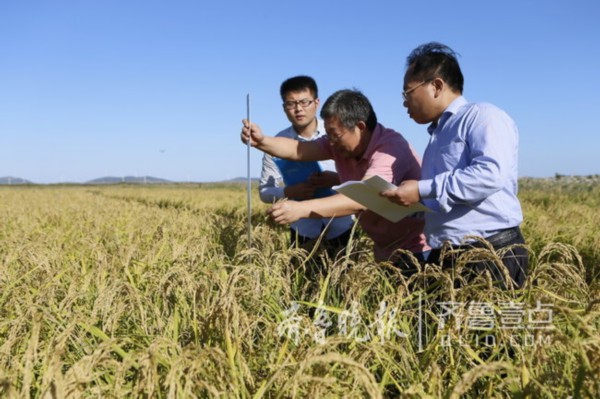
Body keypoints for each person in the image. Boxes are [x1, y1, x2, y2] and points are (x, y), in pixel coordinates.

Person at [381, 42, 528, 288]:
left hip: (489, 252)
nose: (404, 102)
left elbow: (490, 174)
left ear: (436, 86)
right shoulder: (437, 137)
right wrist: (411, 204)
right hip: (449, 254)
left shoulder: (482, 116)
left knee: (487, 325)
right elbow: (446, 197)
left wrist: (421, 189)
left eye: (407, 93)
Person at [242, 89, 430, 267]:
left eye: (335, 135)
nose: (330, 142)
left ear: (360, 127)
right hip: (385, 248)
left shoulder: (390, 148)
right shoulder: (340, 144)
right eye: (328, 135)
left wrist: (300, 209)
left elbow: (364, 197)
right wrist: (262, 141)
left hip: (419, 249)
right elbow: (299, 150)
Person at [259, 76, 354, 259]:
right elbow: (265, 191)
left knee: (345, 280)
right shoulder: (276, 144)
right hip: (302, 227)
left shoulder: (338, 133)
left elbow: (361, 178)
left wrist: (336, 179)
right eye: (291, 103)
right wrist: (290, 191)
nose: (298, 109)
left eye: (304, 102)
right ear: (284, 107)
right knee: (302, 280)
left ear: (316, 102)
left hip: (341, 224)